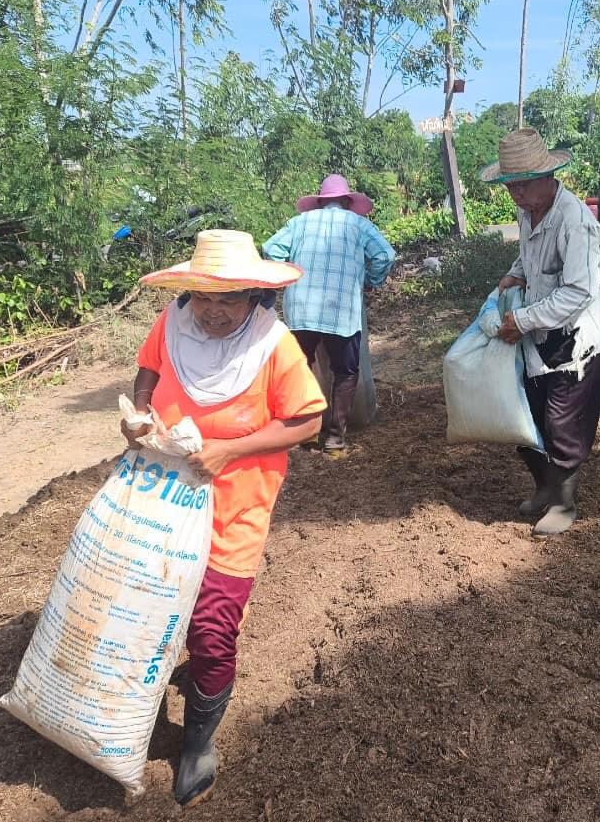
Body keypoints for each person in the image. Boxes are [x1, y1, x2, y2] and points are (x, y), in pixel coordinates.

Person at [128, 230, 328, 806]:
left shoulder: (273, 346)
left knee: (213, 630)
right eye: (204, 297)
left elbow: (307, 421)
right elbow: (147, 370)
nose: (213, 312)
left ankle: (197, 742)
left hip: (234, 508)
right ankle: (151, 694)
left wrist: (228, 451)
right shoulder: (173, 323)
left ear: (255, 300)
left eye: (230, 299)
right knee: (152, 603)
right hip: (162, 499)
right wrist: (137, 415)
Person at [485, 128, 600, 537]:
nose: (516, 196)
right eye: (510, 187)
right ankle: (544, 486)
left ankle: (563, 503)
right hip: (540, 336)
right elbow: (530, 259)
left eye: (522, 186)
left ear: (547, 176)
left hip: (578, 343)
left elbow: (578, 291)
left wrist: (521, 321)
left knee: (561, 423)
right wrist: (513, 274)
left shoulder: (577, 223)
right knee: (529, 416)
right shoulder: (528, 213)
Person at [263, 174, 395, 454]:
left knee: (302, 367)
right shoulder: (359, 225)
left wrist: (289, 276)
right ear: (348, 201)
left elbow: (271, 248)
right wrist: (370, 280)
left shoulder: (300, 223)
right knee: (345, 372)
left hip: (302, 309)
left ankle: (306, 434)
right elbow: (385, 255)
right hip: (342, 310)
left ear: (321, 201)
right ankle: (335, 438)